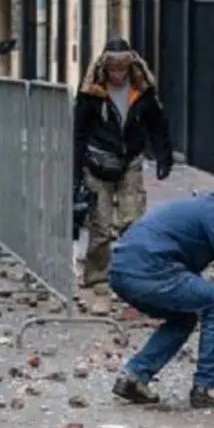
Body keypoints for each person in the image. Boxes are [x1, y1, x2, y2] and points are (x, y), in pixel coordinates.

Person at [108, 177, 214, 410]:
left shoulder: (201, 207)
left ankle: (135, 376)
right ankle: (208, 385)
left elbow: (184, 275)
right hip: (150, 270)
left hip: (122, 271)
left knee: (184, 317)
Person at [73, 37, 172, 316]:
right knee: (101, 227)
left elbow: (157, 124)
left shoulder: (142, 90)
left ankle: (133, 280)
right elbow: (79, 131)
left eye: (122, 68)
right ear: (104, 68)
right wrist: (76, 170)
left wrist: (164, 157)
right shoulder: (92, 93)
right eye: (113, 69)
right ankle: (99, 284)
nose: (117, 74)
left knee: (134, 222)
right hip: (97, 163)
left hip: (129, 162)